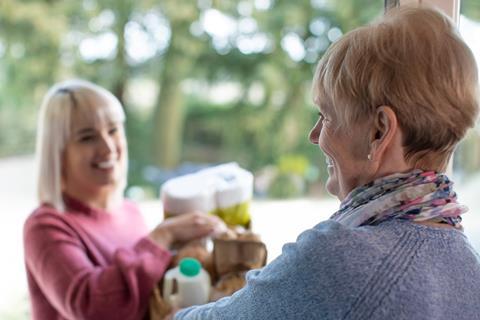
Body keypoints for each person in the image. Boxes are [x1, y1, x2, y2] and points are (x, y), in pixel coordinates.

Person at [174, 6, 480, 320]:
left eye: (326, 117)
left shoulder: (342, 258)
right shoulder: (468, 265)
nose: (314, 135)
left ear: (380, 131)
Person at [23, 79, 226, 320]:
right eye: (87, 137)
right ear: (58, 152)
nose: (108, 147)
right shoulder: (45, 226)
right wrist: (163, 236)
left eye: (113, 130)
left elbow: (144, 296)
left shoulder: (130, 211)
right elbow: (93, 309)